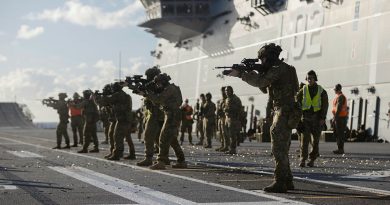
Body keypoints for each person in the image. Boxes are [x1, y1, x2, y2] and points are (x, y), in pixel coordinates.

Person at [228, 43, 298, 193]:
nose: (262, 62)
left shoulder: (277, 70)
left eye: (263, 59)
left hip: (283, 112)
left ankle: (280, 182)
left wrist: (242, 74)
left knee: (278, 149)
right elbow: (265, 88)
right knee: (283, 148)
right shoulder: (287, 68)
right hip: (288, 111)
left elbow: (261, 83)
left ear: (270, 58)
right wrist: (257, 72)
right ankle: (288, 180)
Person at [139, 73, 187, 170]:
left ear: (163, 82)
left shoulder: (170, 89)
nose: (157, 85)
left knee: (163, 138)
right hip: (171, 114)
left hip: (172, 115)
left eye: (158, 83)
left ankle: (161, 162)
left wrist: (146, 94)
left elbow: (158, 99)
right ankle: (181, 160)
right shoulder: (171, 88)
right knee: (171, 139)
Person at [296, 70, 328, 167]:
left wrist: (323, 117)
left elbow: (325, 104)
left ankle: (312, 159)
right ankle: (303, 159)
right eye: (308, 78)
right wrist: (298, 115)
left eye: (311, 78)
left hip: (317, 119)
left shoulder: (321, 90)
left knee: (315, 142)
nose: (309, 80)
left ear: (315, 79)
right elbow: (296, 101)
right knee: (304, 140)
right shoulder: (303, 90)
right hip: (305, 118)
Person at [97, 82, 135, 160]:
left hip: (122, 119)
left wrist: (99, 97)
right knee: (127, 137)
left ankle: (117, 154)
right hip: (126, 119)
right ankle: (132, 153)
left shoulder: (118, 95)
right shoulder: (125, 95)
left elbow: (105, 101)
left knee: (117, 137)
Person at [135, 67, 165, 166]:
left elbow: (155, 98)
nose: (147, 78)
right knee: (157, 138)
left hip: (156, 114)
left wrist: (146, 90)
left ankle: (148, 158)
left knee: (148, 136)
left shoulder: (157, 85)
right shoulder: (154, 85)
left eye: (149, 76)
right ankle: (164, 157)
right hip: (154, 114)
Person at [224, 86, 242, 154]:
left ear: (231, 91)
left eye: (228, 90)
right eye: (225, 91)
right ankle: (229, 148)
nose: (226, 92)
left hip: (233, 118)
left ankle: (233, 149)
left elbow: (239, 108)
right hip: (227, 118)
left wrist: (230, 109)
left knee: (232, 134)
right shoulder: (227, 99)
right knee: (227, 134)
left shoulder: (235, 99)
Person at [332, 83, 348, 154]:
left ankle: (340, 149)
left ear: (338, 90)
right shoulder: (338, 96)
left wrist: (335, 118)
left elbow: (338, 108)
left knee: (340, 133)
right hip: (339, 117)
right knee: (338, 133)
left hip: (340, 118)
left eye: (335, 89)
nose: (334, 91)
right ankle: (339, 148)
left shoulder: (340, 97)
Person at [216, 87, 229, 152]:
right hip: (220, 118)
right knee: (221, 132)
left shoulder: (227, 100)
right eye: (221, 91)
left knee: (225, 132)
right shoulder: (221, 100)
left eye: (223, 91)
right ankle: (222, 145)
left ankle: (226, 146)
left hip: (224, 118)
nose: (222, 93)